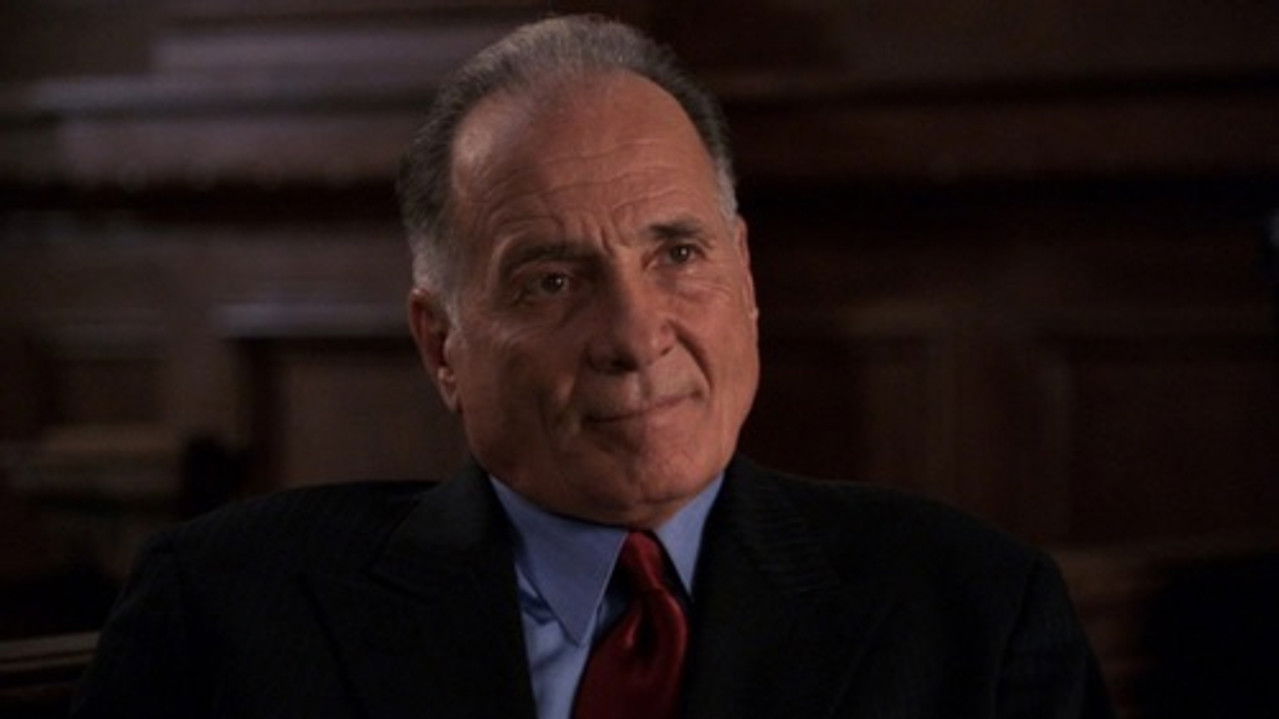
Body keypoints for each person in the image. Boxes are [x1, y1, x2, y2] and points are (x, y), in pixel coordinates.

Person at [72, 15, 1113, 719]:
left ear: (746, 275)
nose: (634, 333)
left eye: (678, 253)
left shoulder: (974, 613)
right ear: (441, 343)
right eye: (551, 281)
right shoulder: (230, 611)